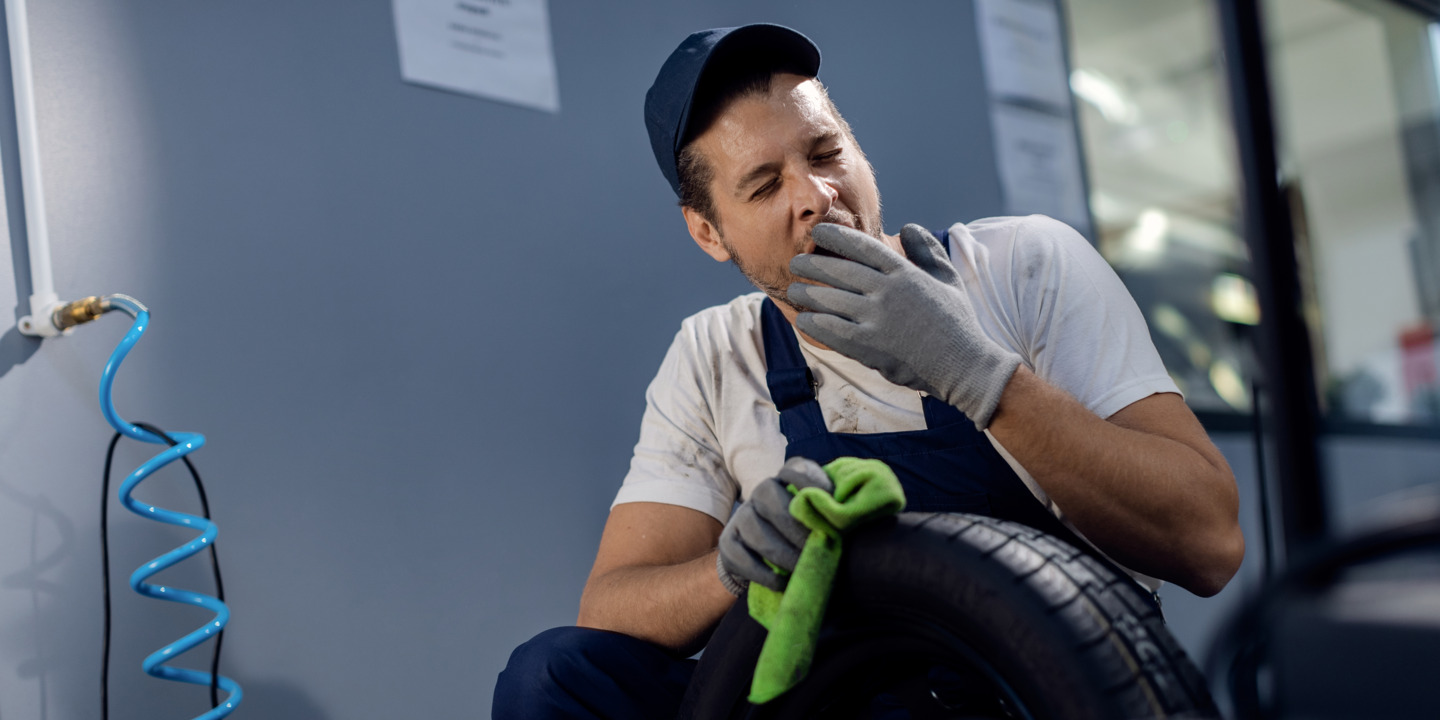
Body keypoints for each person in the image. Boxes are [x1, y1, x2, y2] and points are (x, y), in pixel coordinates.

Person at [493, 23, 1243, 718]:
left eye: (825, 153)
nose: (816, 196)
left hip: (1033, 688)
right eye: (763, 185)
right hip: (840, 697)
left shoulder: (1024, 266)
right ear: (708, 232)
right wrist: (728, 569)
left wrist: (976, 372)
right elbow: (612, 606)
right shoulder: (715, 354)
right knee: (556, 675)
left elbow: (1209, 544)